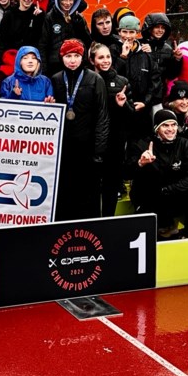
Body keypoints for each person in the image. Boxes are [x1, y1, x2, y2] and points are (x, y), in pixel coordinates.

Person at [126, 109, 188, 240]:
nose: (170, 129)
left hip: (173, 192)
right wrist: (140, 163)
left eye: (173, 125)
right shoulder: (143, 144)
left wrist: (168, 189)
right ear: (157, 128)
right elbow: (126, 173)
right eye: (165, 125)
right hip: (150, 195)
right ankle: (161, 228)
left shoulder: (185, 144)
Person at [51, 39, 109, 221]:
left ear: (82, 57)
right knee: (65, 192)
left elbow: (102, 116)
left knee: (88, 194)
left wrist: (99, 150)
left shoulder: (94, 79)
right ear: (62, 58)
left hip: (88, 147)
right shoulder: (56, 79)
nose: (72, 60)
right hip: (64, 148)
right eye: (68, 56)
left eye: (76, 56)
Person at [90, 42, 134, 217]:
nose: (106, 60)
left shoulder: (122, 82)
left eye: (108, 56)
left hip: (115, 143)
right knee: (92, 186)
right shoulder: (87, 80)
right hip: (93, 142)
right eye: (101, 57)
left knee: (111, 186)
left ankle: (108, 221)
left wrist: (122, 105)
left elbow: (131, 115)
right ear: (92, 60)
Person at [112, 14, 159, 142]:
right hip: (119, 108)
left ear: (137, 33)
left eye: (131, 32)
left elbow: (154, 81)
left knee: (140, 144)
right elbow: (111, 75)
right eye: (124, 32)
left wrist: (145, 102)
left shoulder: (146, 54)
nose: (128, 36)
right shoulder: (113, 50)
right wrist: (122, 56)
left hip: (141, 109)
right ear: (119, 32)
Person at [39, 0, 92, 76]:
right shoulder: (49, 18)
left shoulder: (78, 18)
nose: (68, 3)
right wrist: (44, 70)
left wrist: (79, 24)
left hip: (77, 64)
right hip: (56, 66)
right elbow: (43, 45)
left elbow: (87, 42)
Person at [0, 0, 46, 68]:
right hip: (11, 63)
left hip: (31, 64)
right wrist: (0, 65)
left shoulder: (40, 14)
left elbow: (40, 41)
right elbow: (1, 42)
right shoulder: (9, 14)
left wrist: (37, 19)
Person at [141, 12, 183, 111]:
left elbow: (171, 75)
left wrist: (177, 59)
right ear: (150, 28)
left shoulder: (168, 49)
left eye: (163, 28)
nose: (160, 30)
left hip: (158, 96)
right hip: (140, 94)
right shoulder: (139, 44)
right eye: (157, 27)